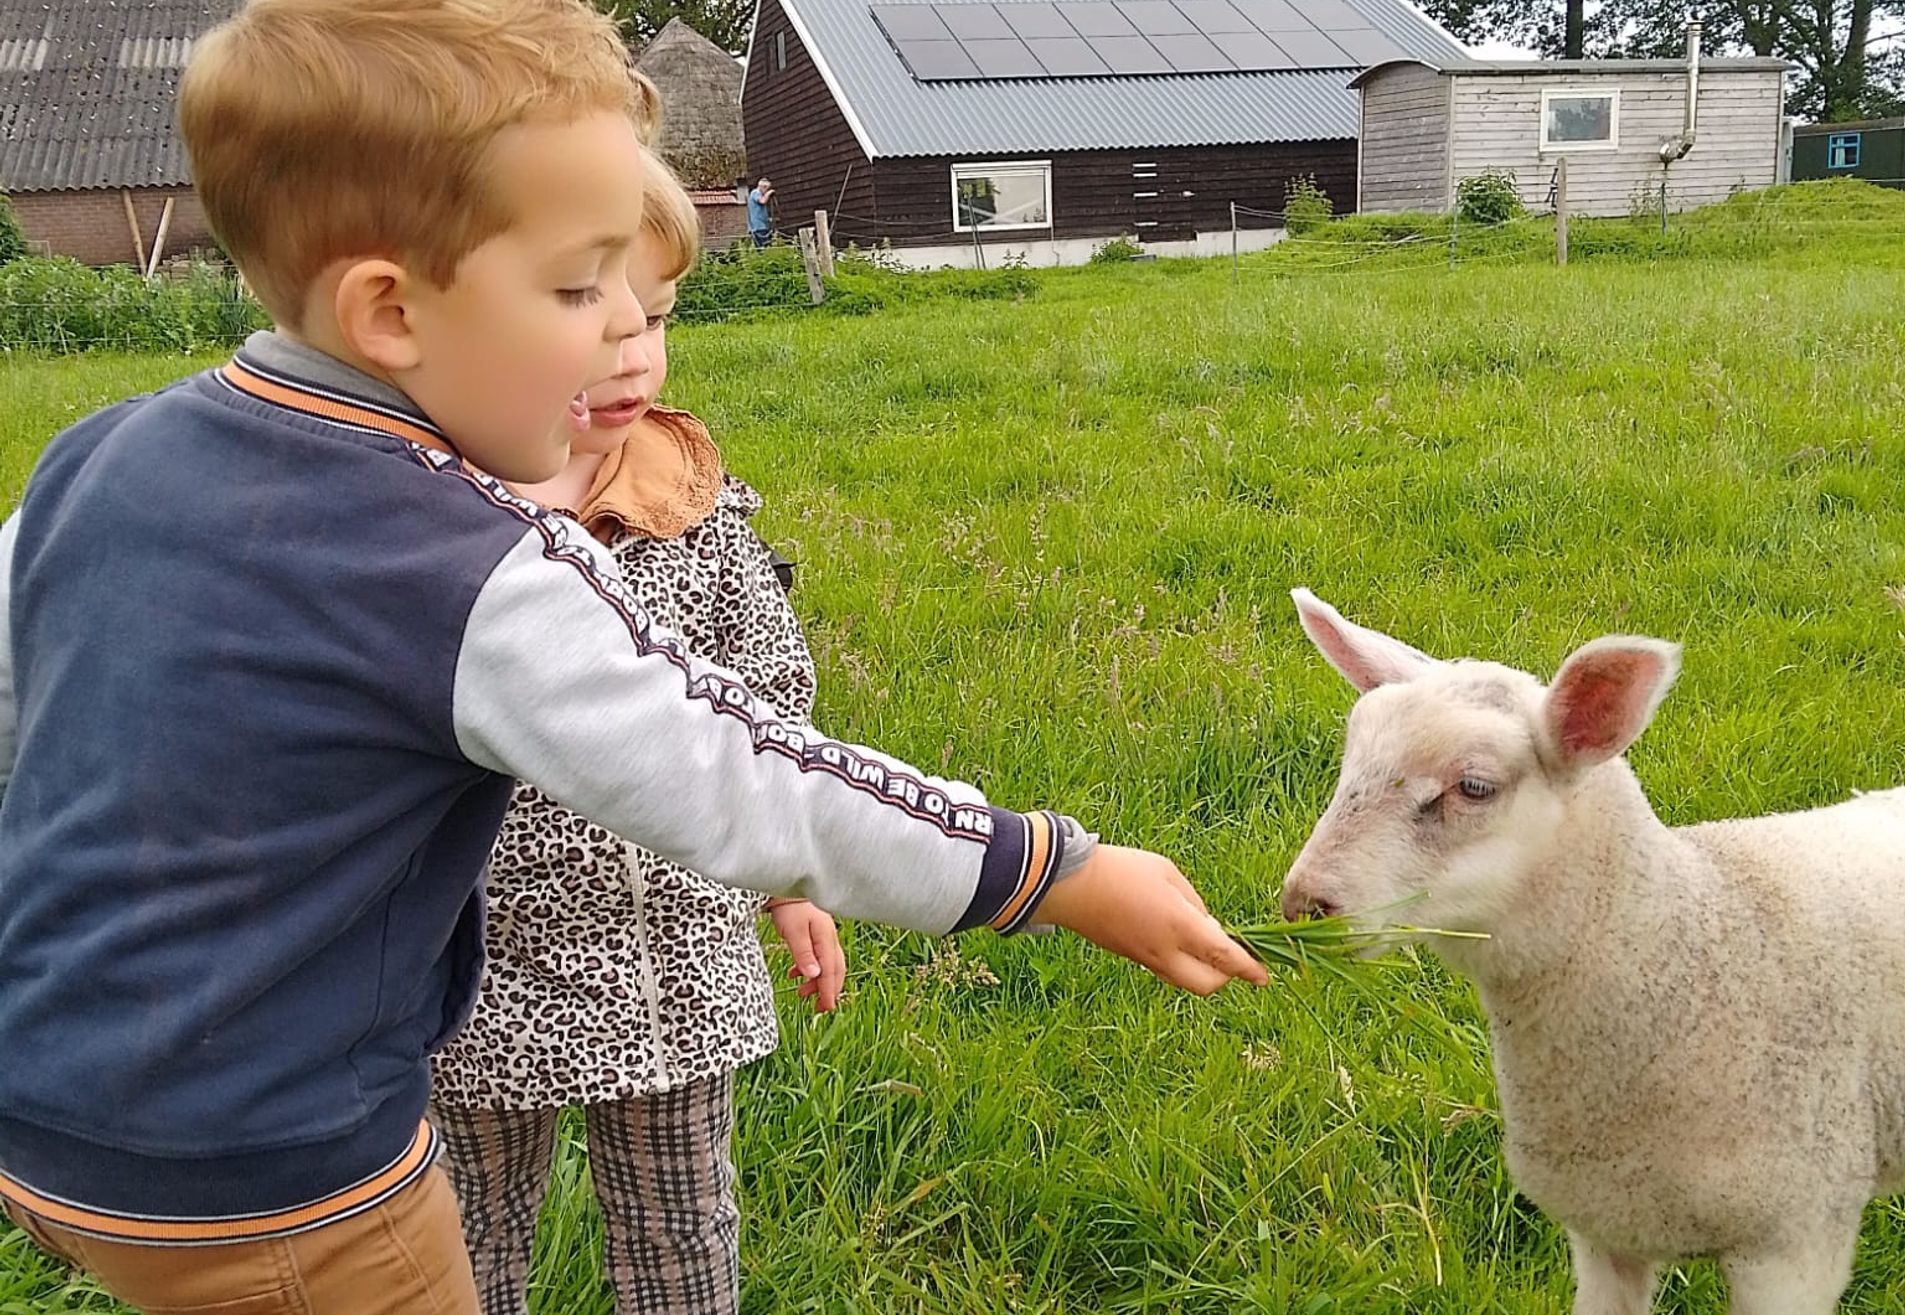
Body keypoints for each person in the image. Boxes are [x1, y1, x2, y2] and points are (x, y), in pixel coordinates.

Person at [0, 1, 1267, 1311]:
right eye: (573, 287)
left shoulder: (92, 459)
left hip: (50, 1122)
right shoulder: (463, 559)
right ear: (389, 310)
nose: (621, 335)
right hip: (287, 1175)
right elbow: (744, 773)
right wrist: (1051, 866)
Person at [429, 151, 839, 1315]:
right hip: (480, 963)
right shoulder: (431, 520)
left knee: (679, 1223)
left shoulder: (692, 506)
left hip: (673, 947)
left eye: (655, 314)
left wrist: (793, 875)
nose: (634, 352)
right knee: (466, 1229)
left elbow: (766, 699)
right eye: (586, 311)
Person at [747, 176, 774, 247]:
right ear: (763, 187)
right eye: (766, 189)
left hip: (762, 225)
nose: (766, 191)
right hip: (758, 227)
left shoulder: (759, 194)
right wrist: (768, 193)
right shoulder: (755, 193)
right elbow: (762, 201)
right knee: (764, 248)